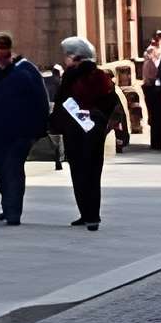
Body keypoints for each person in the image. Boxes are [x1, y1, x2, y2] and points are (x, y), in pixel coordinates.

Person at [0, 33, 52, 225]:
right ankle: (9, 204)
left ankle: (12, 210)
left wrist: (39, 126)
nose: (2, 53)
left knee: (11, 168)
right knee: (0, 166)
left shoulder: (24, 70)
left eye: (4, 50)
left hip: (18, 131)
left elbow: (40, 99)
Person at [52, 36, 128, 229]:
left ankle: (86, 213)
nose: (64, 60)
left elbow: (62, 101)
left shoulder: (71, 76)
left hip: (75, 131)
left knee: (79, 172)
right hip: (94, 132)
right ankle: (92, 215)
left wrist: (56, 123)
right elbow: (111, 104)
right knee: (93, 173)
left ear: (75, 56)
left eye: (66, 56)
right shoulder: (100, 75)